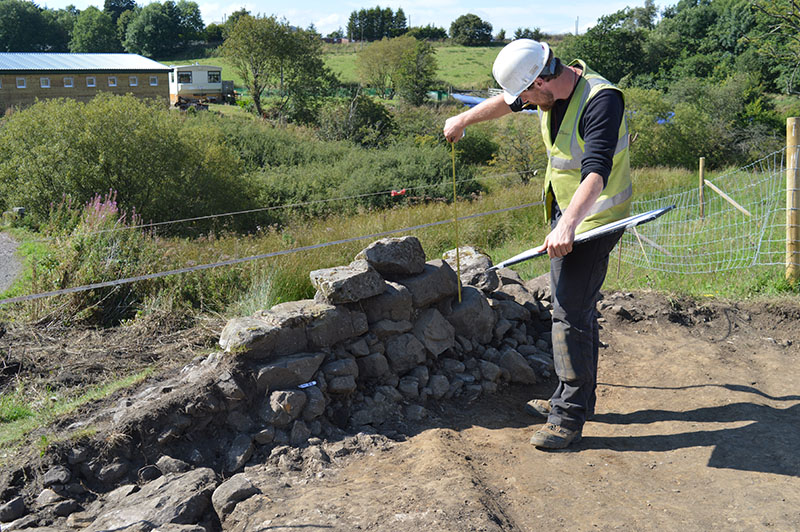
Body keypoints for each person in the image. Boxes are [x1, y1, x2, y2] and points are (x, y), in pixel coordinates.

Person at [443, 39, 632, 449]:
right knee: (574, 308)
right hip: (569, 216)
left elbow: (596, 171)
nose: (525, 103)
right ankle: (575, 397)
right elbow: (505, 105)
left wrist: (567, 226)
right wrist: (464, 118)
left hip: (592, 221)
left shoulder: (601, 101)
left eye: (528, 94)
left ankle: (568, 416)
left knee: (569, 314)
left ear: (544, 78)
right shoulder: (548, 89)